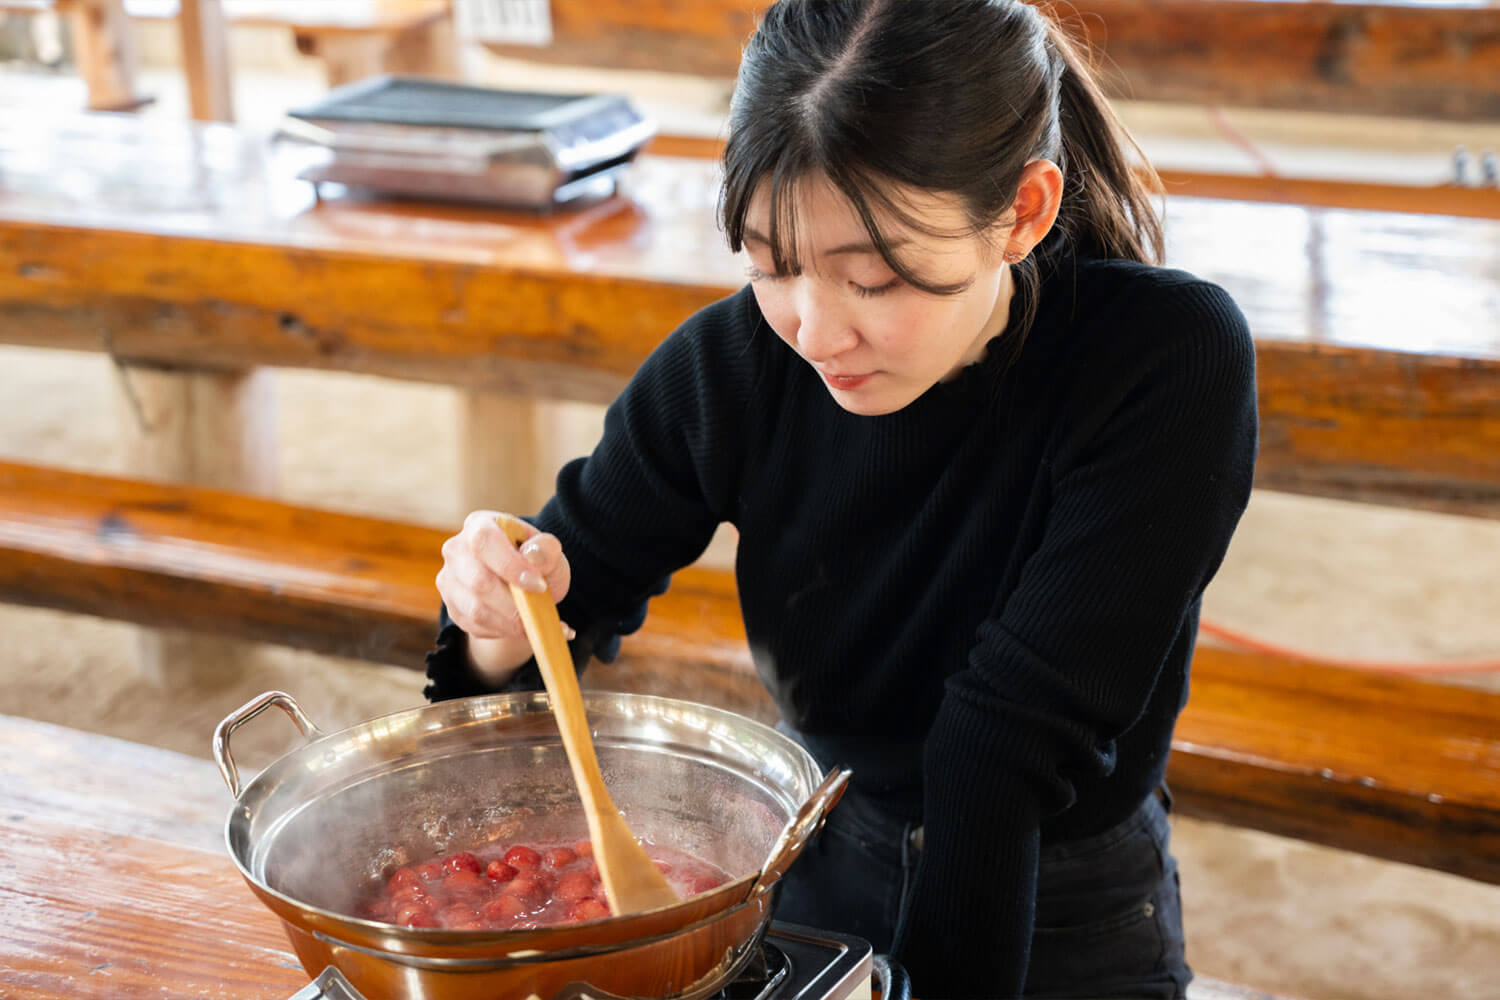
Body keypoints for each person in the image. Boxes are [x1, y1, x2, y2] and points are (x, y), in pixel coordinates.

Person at [424, 1, 1258, 996]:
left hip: (1056, 885)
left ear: (1023, 213)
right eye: (775, 264)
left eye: (877, 279)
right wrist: (494, 613)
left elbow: (1006, 741)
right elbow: (548, 613)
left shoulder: (1161, 361)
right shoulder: (733, 365)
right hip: (822, 842)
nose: (817, 332)